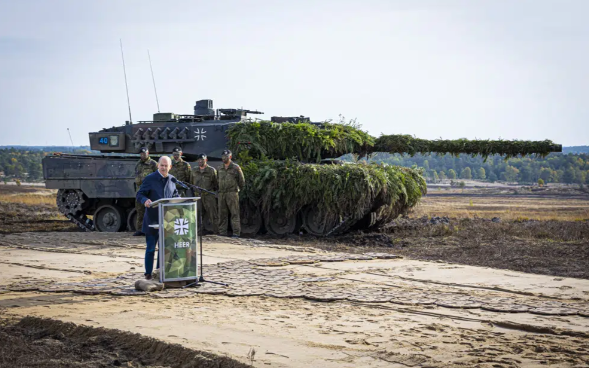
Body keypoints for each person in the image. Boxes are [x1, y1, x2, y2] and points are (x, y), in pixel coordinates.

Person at [136, 156, 180, 280]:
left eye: (166, 166)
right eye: (162, 165)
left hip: (167, 221)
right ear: (158, 165)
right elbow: (139, 194)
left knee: (163, 249)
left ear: (170, 167)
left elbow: (175, 195)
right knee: (150, 249)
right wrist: (145, 200)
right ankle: (148, 274)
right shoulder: (150, 179)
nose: (164, 168)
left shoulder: (173, 180)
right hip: (152, 220)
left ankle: (160, 272)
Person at [217, 149, 245, 238]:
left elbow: (242, 181)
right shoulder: (220, 168)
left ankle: (236, 233)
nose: (224, 158)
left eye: (226, 157)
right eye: (223, 157)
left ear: (230, 157)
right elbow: (217, 180)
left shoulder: (236, 167)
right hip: (222, 193)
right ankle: (222, 232)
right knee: (222, 214)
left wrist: (237, 190)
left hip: (232, 193)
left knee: (234, 213)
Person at [191, 153, 219, 233]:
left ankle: (216, 231)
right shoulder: (194, 170)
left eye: (202, 159)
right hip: (198, 195)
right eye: (199, 160)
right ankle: (199, 231)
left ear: (206, 160)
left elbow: (216, 183)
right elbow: (191, 182)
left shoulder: (211, 170)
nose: (200, 161)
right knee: (198, 214)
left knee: (213, 214)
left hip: (208, 195)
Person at [133, 147, 157, 236]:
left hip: (150, 191)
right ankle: (140, 229)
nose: (142, 155)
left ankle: (151, 229)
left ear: (148, 153)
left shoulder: (153, 164)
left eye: (144, 153)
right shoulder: (138, 164)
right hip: (140, 190)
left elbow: (157, 176)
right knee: (140, 210)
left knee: (151, 210)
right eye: (141, 154)